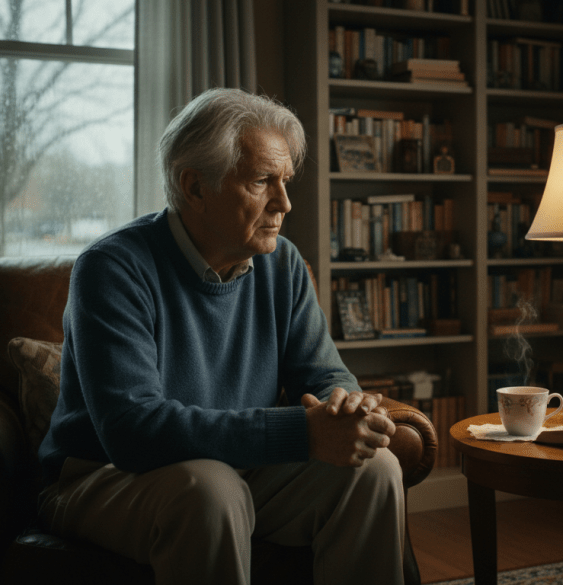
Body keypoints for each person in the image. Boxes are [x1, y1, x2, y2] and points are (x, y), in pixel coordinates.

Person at [36, 88, 404, 584]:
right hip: (105, 477)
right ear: (194, 187)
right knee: (211, 490)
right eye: (262, 181)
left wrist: (348, 410)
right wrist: (302, 432)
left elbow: (322, 373)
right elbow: (131, 429)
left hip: (236, 467)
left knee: (374, 469)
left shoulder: (283, 264)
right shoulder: (112, 268)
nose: (285, 202)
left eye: (286, 181)